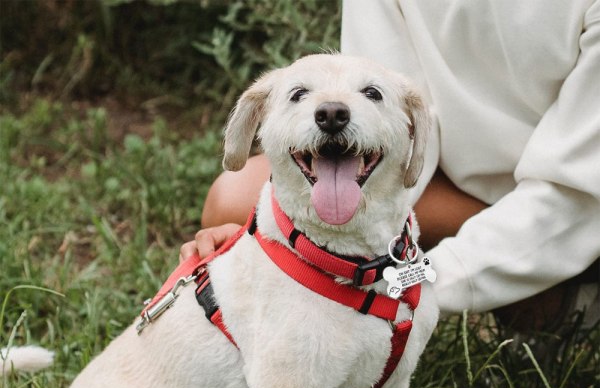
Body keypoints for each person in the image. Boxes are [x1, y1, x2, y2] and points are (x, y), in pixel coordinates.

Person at [181, 0, 600, 334]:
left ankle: (562, 299)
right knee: (238, 201)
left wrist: (409, 283)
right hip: (450, 185)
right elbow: (382, 122)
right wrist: (272, 238)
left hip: (575, 209)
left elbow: (577, 196)